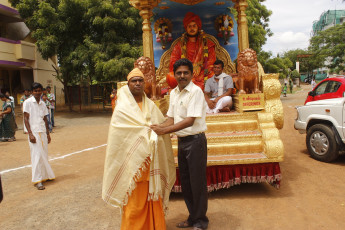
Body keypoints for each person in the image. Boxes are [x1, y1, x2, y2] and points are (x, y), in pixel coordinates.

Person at [102, 68, 176, 230]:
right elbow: (119, 137)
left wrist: (158, 130)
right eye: (133, 80)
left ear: (145, 83)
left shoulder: (151, 105)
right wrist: (146, 131)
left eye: (140, 80)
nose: (137, 83)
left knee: (153, 196)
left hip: (152, 162)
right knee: (134, 203)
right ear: (128, 84)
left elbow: (161, 126)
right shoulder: (122, 108)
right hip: (133, 164)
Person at [151, 59, 208, 230]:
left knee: (197, 183)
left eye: (185, 73)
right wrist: (156, 127)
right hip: (182, 143)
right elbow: (171, 119)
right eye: (179, 73)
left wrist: (164, 131)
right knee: (187, 182)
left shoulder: (196, 92)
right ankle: (192, 218)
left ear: (192, 74)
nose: (182, 76)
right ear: (174, 75)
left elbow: (190, 121)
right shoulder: (174, 93)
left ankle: (200, 221)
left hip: (195, 141)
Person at [166, 12, 216, 90]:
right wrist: (186, 70)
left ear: (198, 27)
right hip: (184, 75)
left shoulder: (207, 43)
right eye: (189, 26)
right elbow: (173, 63)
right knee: (170, 76)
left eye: (194, 26)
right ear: (186, 28)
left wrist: (200, 68)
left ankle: (192, 86)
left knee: (213, 76)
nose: (192, 28)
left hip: (202, 75)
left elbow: (211, 62)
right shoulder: (179, 45)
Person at [23, 82, 55, 190]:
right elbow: (26, 118)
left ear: (42, 91)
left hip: (42, 132)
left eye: (39, 90)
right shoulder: (28, 102)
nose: (37, 92)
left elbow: (45, 119)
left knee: (44, 154)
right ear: (32, 92)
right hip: (34, 132)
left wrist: (48, 133)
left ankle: (46, 176)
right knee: (36, 155)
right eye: (35, 91)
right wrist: (30, 134)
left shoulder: (42, 103)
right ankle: (37, 180)